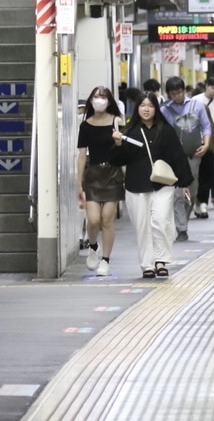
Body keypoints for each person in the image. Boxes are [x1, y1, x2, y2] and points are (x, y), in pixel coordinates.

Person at [110, 93, 194, 278]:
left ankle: (161, 260)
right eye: (142, 105)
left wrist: (184, 183)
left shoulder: (166, 130)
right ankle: (147, 264)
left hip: (162, 184)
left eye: (150, 106)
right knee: (142, 225)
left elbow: (177, 157)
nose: (146, 109)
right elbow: (118, 160)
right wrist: (117, 144)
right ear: (137, 108)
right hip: (136, 185)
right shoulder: (129, 132)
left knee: (161, 221)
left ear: (156, 108)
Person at [77, 86, 126, 276]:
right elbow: (81, 156)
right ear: (90, 100)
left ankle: (105, 260)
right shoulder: (85, 125)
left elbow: (125, 151)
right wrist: (78, 183)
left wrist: (119, 141)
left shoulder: (116, 121)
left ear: (109, 100)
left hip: (113, 173)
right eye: (96, 96)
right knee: (93, 220)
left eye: (103, 96)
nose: (100, 99)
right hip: (93, 174)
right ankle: (93, 245)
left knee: (107, 219)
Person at [160, 76, 212, 241]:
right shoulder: (164, 110)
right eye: (174, 94)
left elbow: (206, 126)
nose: (178, 96)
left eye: (180, 92)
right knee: (177, 193)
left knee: (191, 191)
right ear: (169, 94)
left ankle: (184, 221)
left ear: (185, 90)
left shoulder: (197, 106)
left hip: (193, 155)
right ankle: (181, 228)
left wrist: (206, 144)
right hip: (174, 157)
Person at [191, 76, 214, 212]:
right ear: (207, 86)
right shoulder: (195, 100)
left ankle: (203, 204)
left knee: (207, 175)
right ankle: (197, 203)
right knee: (196, 177)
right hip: (194, 148)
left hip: (210, 149)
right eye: (213, 88)